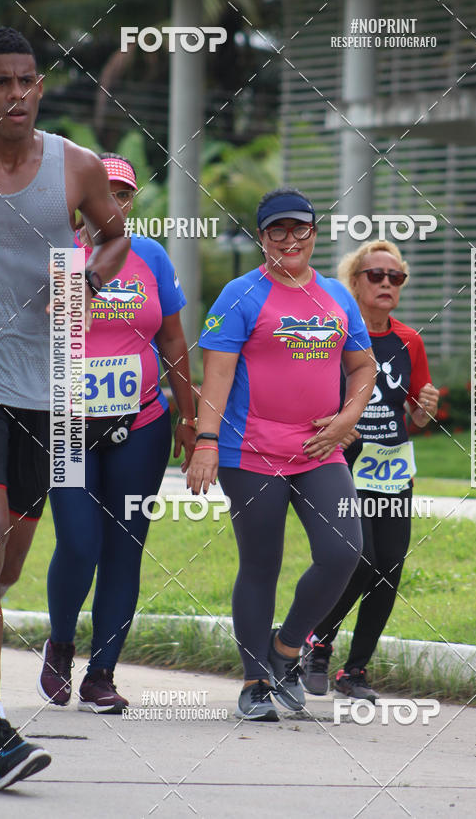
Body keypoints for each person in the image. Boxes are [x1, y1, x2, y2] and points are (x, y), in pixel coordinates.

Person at [0, 27, 129, 789]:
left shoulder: (72, 165)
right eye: (1, 82)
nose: (17, 95)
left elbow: (115, 235)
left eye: (27, 81)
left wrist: (89, 281)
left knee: (5, 569)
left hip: (48, 395)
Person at [187, 187, 376, 721]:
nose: (289, 240)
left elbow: (363, 368)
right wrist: (205, 441)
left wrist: (347, 419)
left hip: (320, 450)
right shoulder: (240, 295)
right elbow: (216, 379)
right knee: (261, 564)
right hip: (250, 452)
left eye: (300, 229)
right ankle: (254, 681)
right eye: (277, 230)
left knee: (344, 552)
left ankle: (286, 650)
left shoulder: (338, 296)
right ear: (261, 237)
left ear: (314, 233)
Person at [38, 153, 196, 713]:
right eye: (103, 194)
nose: (113, 205)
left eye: (124, 195)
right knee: (80, 543)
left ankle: (101, 674)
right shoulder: (55, 254)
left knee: (125, 550)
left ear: (130, 203)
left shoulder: (151, 255)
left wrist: (189, 417)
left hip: (143, 426)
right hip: (67, 428)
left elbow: (174, 342)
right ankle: (60, 646)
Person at [300, 240, 439, 701]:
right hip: (347, 466)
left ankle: (353, 672)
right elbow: (316, 396)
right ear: (355, 282)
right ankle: (315, 643)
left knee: (389, 568)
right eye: (376, 276)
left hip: (394, 468)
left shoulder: (408, 341)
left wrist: (424, 410)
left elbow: (415, 413)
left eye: (395, 277)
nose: (386, 284)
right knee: (361, 560)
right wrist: (336, 426)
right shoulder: (337, 334)